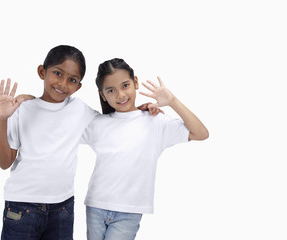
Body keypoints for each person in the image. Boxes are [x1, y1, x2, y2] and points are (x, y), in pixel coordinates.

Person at [81, 58, 209, 240]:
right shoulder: (97, 124)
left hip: (129, 211)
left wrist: (172, 101)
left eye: (125, 85)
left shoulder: (155, 121)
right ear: (102, 95)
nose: (120, 95)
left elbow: (201, 133)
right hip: (96, 205)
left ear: (135, 83)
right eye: (111, 90)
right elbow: (59, 129)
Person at [0, 45, 99, 240]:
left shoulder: (79, 110)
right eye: (57, 73)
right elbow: (4, 162)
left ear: (79, 86)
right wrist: (0, 120)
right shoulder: (22, 108)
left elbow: (112, 125)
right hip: (22, 207)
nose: (63, 84)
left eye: (72, 80)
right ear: (42, 71)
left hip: (62, 209)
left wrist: (136, 109)